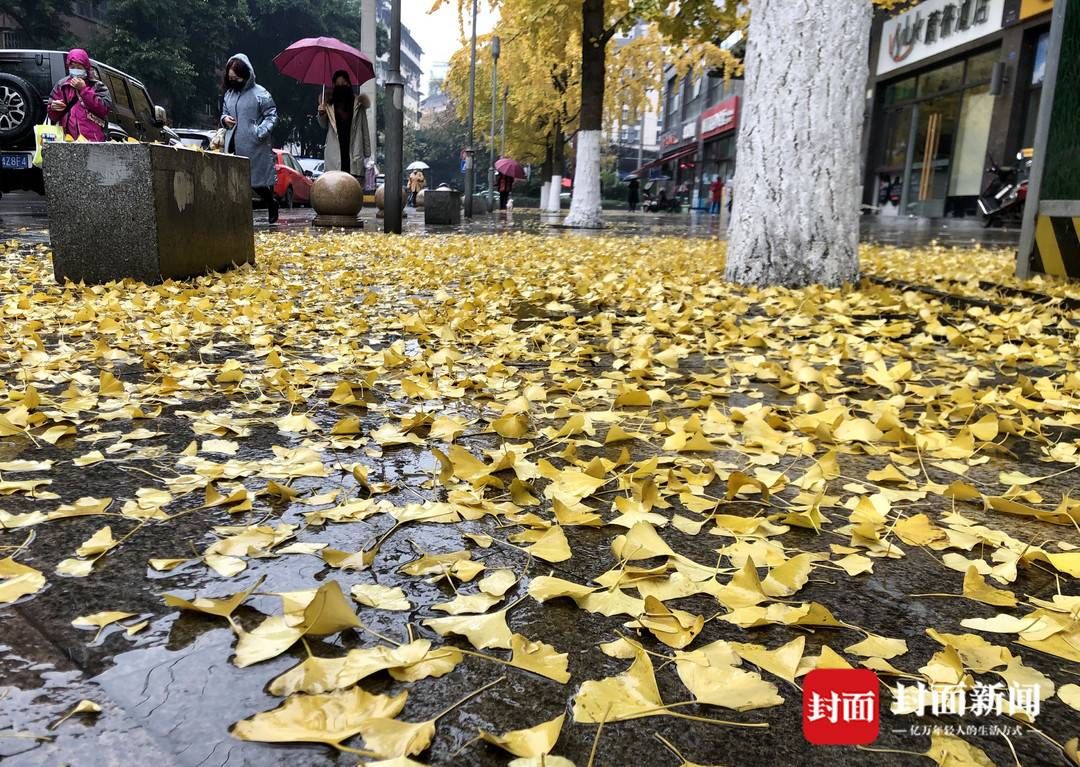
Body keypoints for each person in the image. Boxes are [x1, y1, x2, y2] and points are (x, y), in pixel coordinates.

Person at [221, 54, 279, 223]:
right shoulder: (229, 94)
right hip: (232, 142)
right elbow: (224, 113)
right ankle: (239, 215)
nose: (234, 80)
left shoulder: (261, 93)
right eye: (231, 78)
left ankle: (271, 203)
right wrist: (224, 120)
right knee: (236, 180)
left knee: (255, 181)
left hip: (254, 145)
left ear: (246, 74)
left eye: (237, 77)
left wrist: (259, 132)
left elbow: (272, 116)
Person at [46, 49, 112, 142]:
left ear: (86, 67)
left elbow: (104, 109)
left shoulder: (97, 86)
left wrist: (84, 89)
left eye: (79, 67)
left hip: (93, 140)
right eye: (72, 66)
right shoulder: (62, 85)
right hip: (67, 139)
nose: (75, 70)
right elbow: (52, 115)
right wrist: (53, 108)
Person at [318, 70, 371, 179]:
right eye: (338, 84)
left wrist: (367, 152)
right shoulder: (328, 105)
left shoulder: (358, 104)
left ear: (349, 84)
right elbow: (323, 125)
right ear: (334, 85)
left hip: (353, 153)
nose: (341, 86)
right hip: (335, 154)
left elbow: (364, 128)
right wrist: (321, 113)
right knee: (335, 189)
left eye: (344, 83)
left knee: (352, 189)